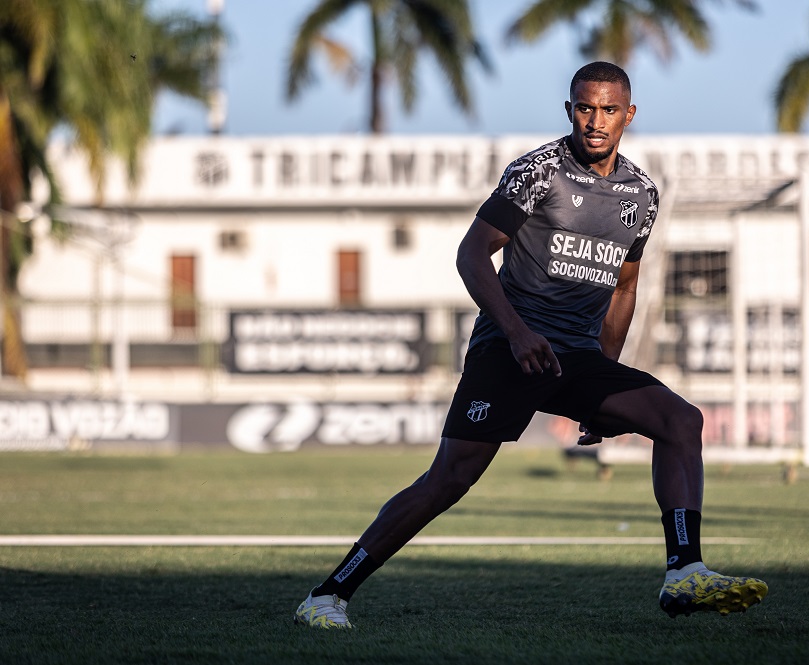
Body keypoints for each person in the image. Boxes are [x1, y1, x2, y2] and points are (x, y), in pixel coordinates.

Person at [294, 61, 768, 630]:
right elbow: (471, 254)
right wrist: (517, 331)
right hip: (509, 348)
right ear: (569, 109)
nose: (596, 121)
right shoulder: (537, 172)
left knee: (680, 420)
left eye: (609, 110)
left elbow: (625, 284)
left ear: (629, 115)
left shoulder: (640, 194)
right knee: (448, 480)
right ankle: (328, 595)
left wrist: (601, 382)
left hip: (577, 358)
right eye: (585, 108)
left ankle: (684, 572)